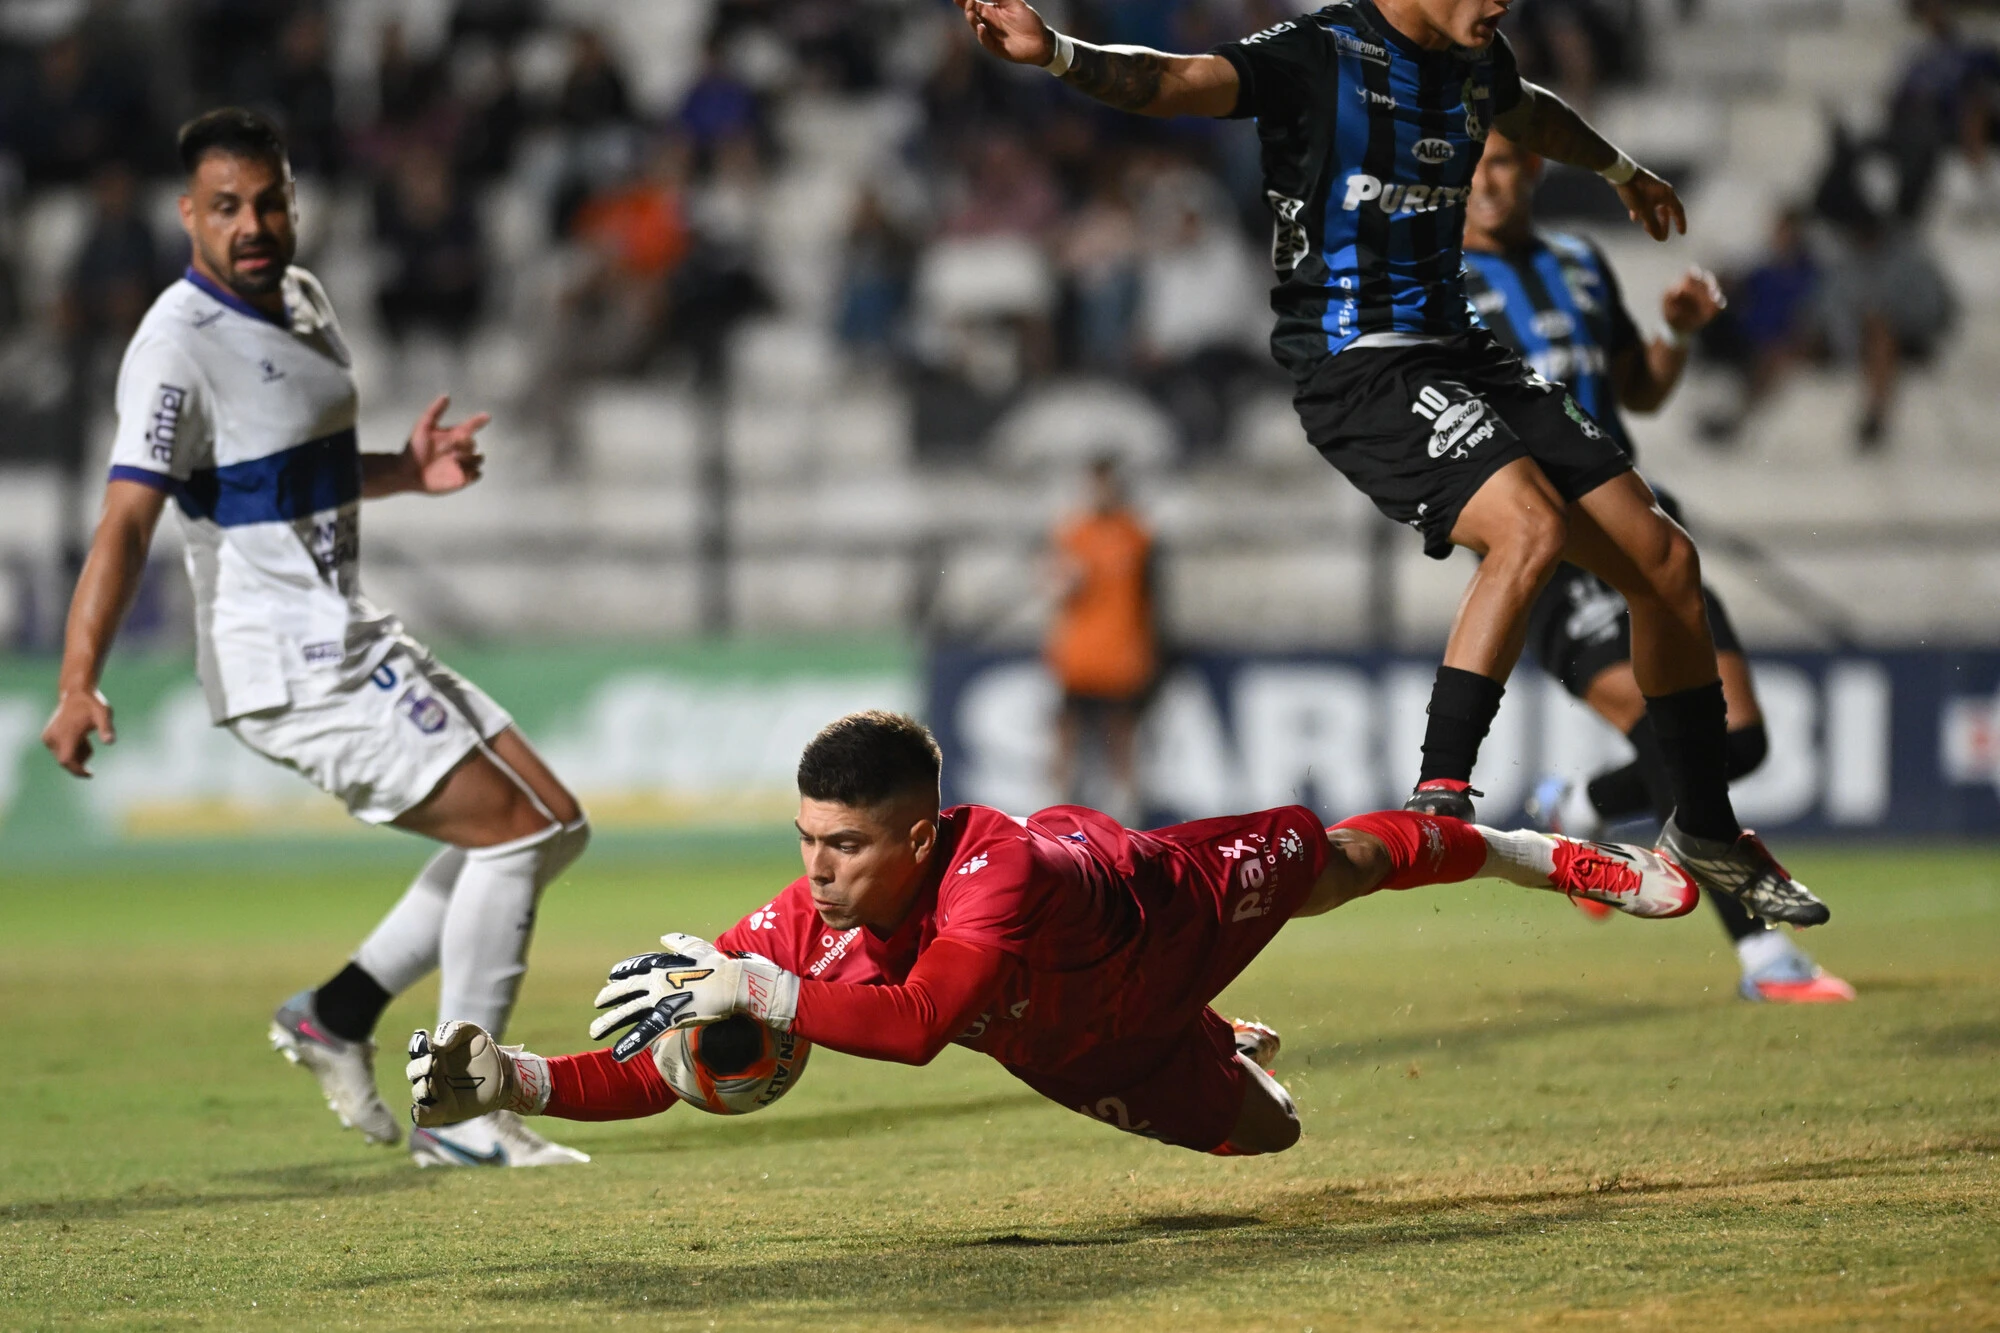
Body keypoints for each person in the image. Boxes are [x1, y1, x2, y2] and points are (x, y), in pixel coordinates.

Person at [948, 0, 1828, 929]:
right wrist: (1058, 52)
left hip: (1462, 347)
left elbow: (1529, 109)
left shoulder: (1477, 58)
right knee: (1529, 525)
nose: (1499, 5)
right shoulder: (1320, 54)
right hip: (1359, 363)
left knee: (1666, 560)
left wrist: (1620, 170)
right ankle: (1440, 796)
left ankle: (1706, 828)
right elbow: (1172, 80)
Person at [38, 109, 592, 1169]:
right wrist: (77, 680)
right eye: (227, 207)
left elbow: (292, 468)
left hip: (346, 631)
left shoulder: (301, 297)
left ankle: (334, 1015)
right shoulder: (174, 348)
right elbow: (126, 521)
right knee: (514, 836)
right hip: (287, 663)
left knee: (554, 826)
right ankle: (459, 1112)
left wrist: (402, 472)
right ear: (188, 215)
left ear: (293, 202)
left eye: (269, 202)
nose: (252, 224)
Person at [407, 711, 1700, 1156]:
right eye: (806, 840)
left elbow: (918, 1029)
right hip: (1082, 1048)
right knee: (1274, 1136)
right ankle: (1215, 1045)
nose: (817, 872)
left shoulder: (997, 872)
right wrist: (512, 1080)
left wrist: (758, 987)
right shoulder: (799, 924)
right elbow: (669, 1064)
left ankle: (1539, 852)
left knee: (1348, 862)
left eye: (845, 845)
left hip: (1168, 911)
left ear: (920, 838)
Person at [1460, 131, 1853, 1004]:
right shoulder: (1433, 286)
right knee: (1665, 738)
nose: (1488, 179)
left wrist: (1674, 332)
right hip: (1546, 548)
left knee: (1738, 741)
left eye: (1505, 161)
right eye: (1473, 163)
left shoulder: (1578, 262)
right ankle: (1764, 957)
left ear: (1534, 167)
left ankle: (1588, 806)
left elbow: (1637, 389)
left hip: (1638, 524)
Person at [1045, 456, 1157, 825]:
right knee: (1067, 729)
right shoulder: (1073, 534)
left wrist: (1149, 649)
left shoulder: (1136, 535)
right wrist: (1063, 582)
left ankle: (1124, 805)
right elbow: (1054, 589)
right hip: (1079, 656)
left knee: (1120, 730)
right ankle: (1057, 800)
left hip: (1121, 654)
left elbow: (1150, 598)